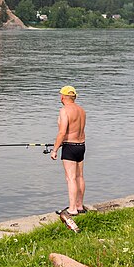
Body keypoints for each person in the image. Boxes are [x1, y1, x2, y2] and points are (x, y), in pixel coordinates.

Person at [50, 86, 86, 216]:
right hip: (81, 146)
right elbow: (76, 131)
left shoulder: (64, 110)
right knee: (79, 176)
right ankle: (79, 205)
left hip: (70, 148)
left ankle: (72, 209)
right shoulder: (82, 111)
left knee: (70, 178)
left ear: (62, 97)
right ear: (74, 97)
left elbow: (62, 132)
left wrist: (54, 149)